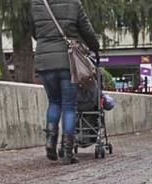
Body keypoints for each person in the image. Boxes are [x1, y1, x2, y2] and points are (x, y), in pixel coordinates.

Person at [31, 0, 100, 164]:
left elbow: (34, 30)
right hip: (68, 61)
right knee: (69, 107)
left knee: (53, 102)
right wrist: (95, 46)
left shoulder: (37, 3)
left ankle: (50, 142)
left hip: (44, 61)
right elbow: (86, 29)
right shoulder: (74, 3)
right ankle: (68, 152)